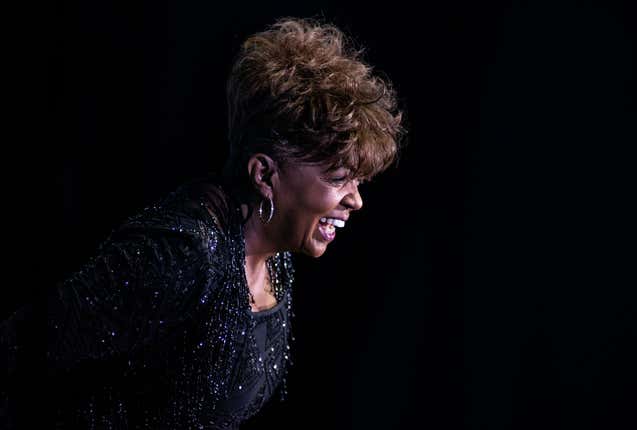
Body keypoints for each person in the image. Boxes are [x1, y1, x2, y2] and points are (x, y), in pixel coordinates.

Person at [4, 17, 404, 429]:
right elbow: (20, 348)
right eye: (339, 179)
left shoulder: (275, 255)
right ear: (264, 175)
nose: (355, 200)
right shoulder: (182, 252)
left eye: (358, 180)